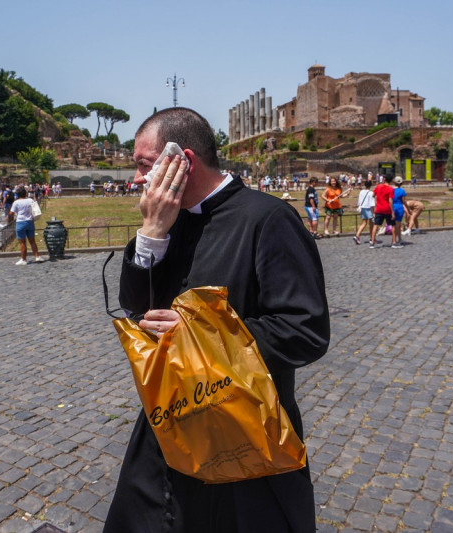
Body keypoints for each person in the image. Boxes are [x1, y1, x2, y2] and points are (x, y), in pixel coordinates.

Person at [104, 107, 329, 533]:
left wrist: (198, 337)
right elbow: (134, 307)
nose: (137, 179)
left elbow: (306, 330)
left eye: (144, 166)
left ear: (182, 162)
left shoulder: (267, 219)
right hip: (167, 425)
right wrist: (151, 234)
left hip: (242, 434)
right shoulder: (165, 222)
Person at [8, 187, 46, 265]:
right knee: (32, 241)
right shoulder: (30, 200)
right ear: (26, 194)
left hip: (21, 222)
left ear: (17, 195)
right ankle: (37, 256)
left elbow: (11, 213)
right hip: (30, 222)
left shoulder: (16, 202)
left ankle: (24, 259)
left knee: (22, 243)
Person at [370, 174, 396, 248]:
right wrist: (393, 212)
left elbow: (373, 195)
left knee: (376, 225)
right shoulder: (391, 189)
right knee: (393, 225)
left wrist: (377, 201)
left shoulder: (378, 186)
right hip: (387, 209)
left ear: (384, 179)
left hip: (379, 209)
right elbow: (390, 200)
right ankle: (394, 242)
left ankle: (372, 242)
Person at [353, 179, 375, 245]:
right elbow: (372, 204)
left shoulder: (361, 191)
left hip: (363, 208)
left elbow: (359, 201)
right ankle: (372, 237)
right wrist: (373, 212)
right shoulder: (371, 193)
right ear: (371, 185)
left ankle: (357, 235)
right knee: (371, 224)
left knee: (364, 223)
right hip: (369, 209)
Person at [391, 177, 410, 247]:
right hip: (399, 208)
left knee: (395, 225)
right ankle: (394, 241)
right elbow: (404, 201)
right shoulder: (402, 191)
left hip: (392, 207)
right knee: (397, 225)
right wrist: (408, 209)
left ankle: (399, 238)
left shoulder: (391, 190)